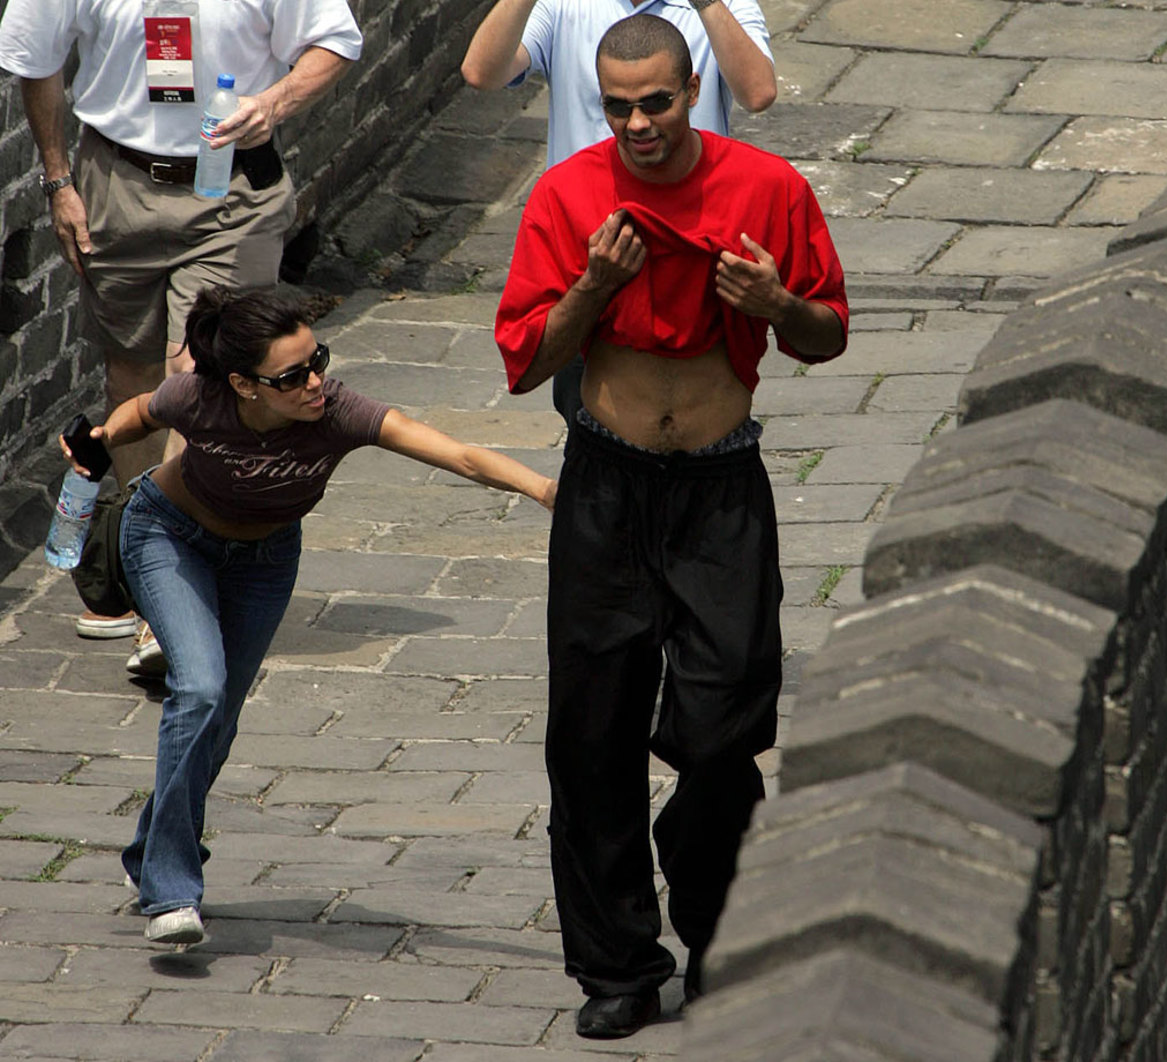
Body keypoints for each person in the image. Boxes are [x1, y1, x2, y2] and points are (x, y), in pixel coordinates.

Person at [494, 14, 847, 1039]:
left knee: (723, 730)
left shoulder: (766, 190)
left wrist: (776, 301)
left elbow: (825, 333)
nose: (639, 124)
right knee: (591, 735)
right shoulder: (568, 195)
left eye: (656, 102)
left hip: (720, 489)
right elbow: (527, 359)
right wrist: (595, 288)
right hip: (607, 485)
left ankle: (714, 921)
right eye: (617, 107)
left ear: (691, 89)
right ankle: (619, 966)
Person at [60, 287, 557, 946]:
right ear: (243, 383)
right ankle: (171, 891)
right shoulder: (197, 398)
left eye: (316, 360)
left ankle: (151, 848)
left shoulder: (339, 412)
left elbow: (459, 454)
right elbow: (139, 412)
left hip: (264, 560)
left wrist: (548, 490)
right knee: (200, 688)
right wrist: (97, 442)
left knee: (221, 719)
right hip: (167, 535)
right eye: (292, 376)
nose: (315, 382)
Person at [0, 0, 362, 657]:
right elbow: (36, 60)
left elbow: (334, 40)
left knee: (195, 374)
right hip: (114, 183)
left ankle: (171, 595)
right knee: (132, 374)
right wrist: (58, 183)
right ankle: (142, 562)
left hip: (230, 191)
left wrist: (274, 103)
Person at [461, 0, 776, 429]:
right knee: (586, 415)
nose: (638, 123)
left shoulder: (723, 6)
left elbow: (758, 92)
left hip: (691, 253)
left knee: (704, 419)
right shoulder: (563, 6)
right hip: (587, 254)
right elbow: (482, 72)